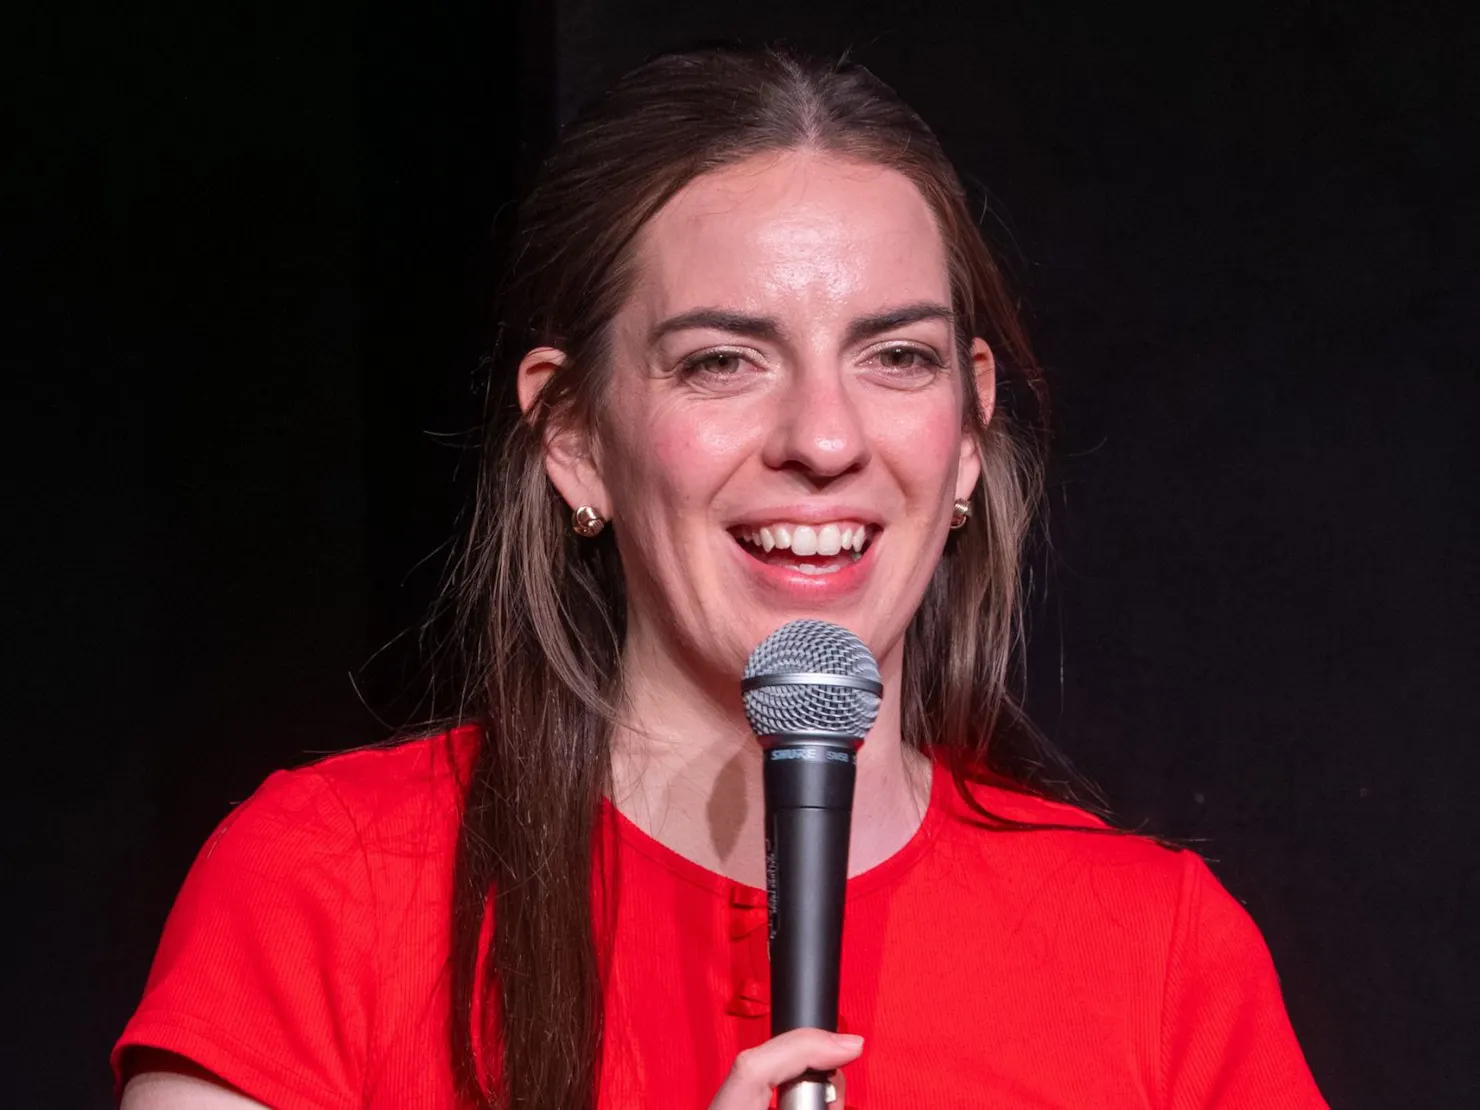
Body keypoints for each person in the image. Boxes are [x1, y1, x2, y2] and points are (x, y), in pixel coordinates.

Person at [114, 46, 1327, 1110]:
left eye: (895, 357)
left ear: (967, 430)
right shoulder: (332, 886)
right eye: (722, 362)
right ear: (574, 436)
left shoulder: (1155, 952)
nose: (824, 438)